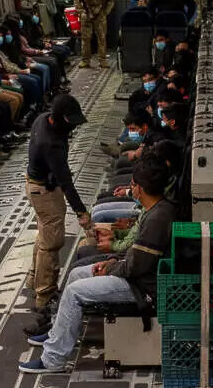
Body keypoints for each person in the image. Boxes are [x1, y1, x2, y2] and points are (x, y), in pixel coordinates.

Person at [19, 155, 176, 373]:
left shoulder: (158, 218)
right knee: (77, 275)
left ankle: (53, 359)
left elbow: (135, 267)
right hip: (135, 274)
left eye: (132, 185)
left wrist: (110, 267)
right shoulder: (157, 209)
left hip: (143, 287)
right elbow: (135, 258)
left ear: (139, 188)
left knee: (74, 292)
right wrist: (113, 261)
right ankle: (58, 333)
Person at [25, 94, 94, 334]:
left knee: (44, 231)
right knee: (52, 241)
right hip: (45, 189)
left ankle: (34, 279)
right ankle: (44, 296)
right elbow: (65, 180)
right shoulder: (51, 144)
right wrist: (81, 212)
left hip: (37, 185)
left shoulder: (42, 119)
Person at [73, 0, 114, 68]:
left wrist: (105, 12)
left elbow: (110, 0)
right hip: (86, 15)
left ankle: (103, 60)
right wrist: (81, 11)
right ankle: (85, 60)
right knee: (86, 39)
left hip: (100, 14)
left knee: (102, 38)